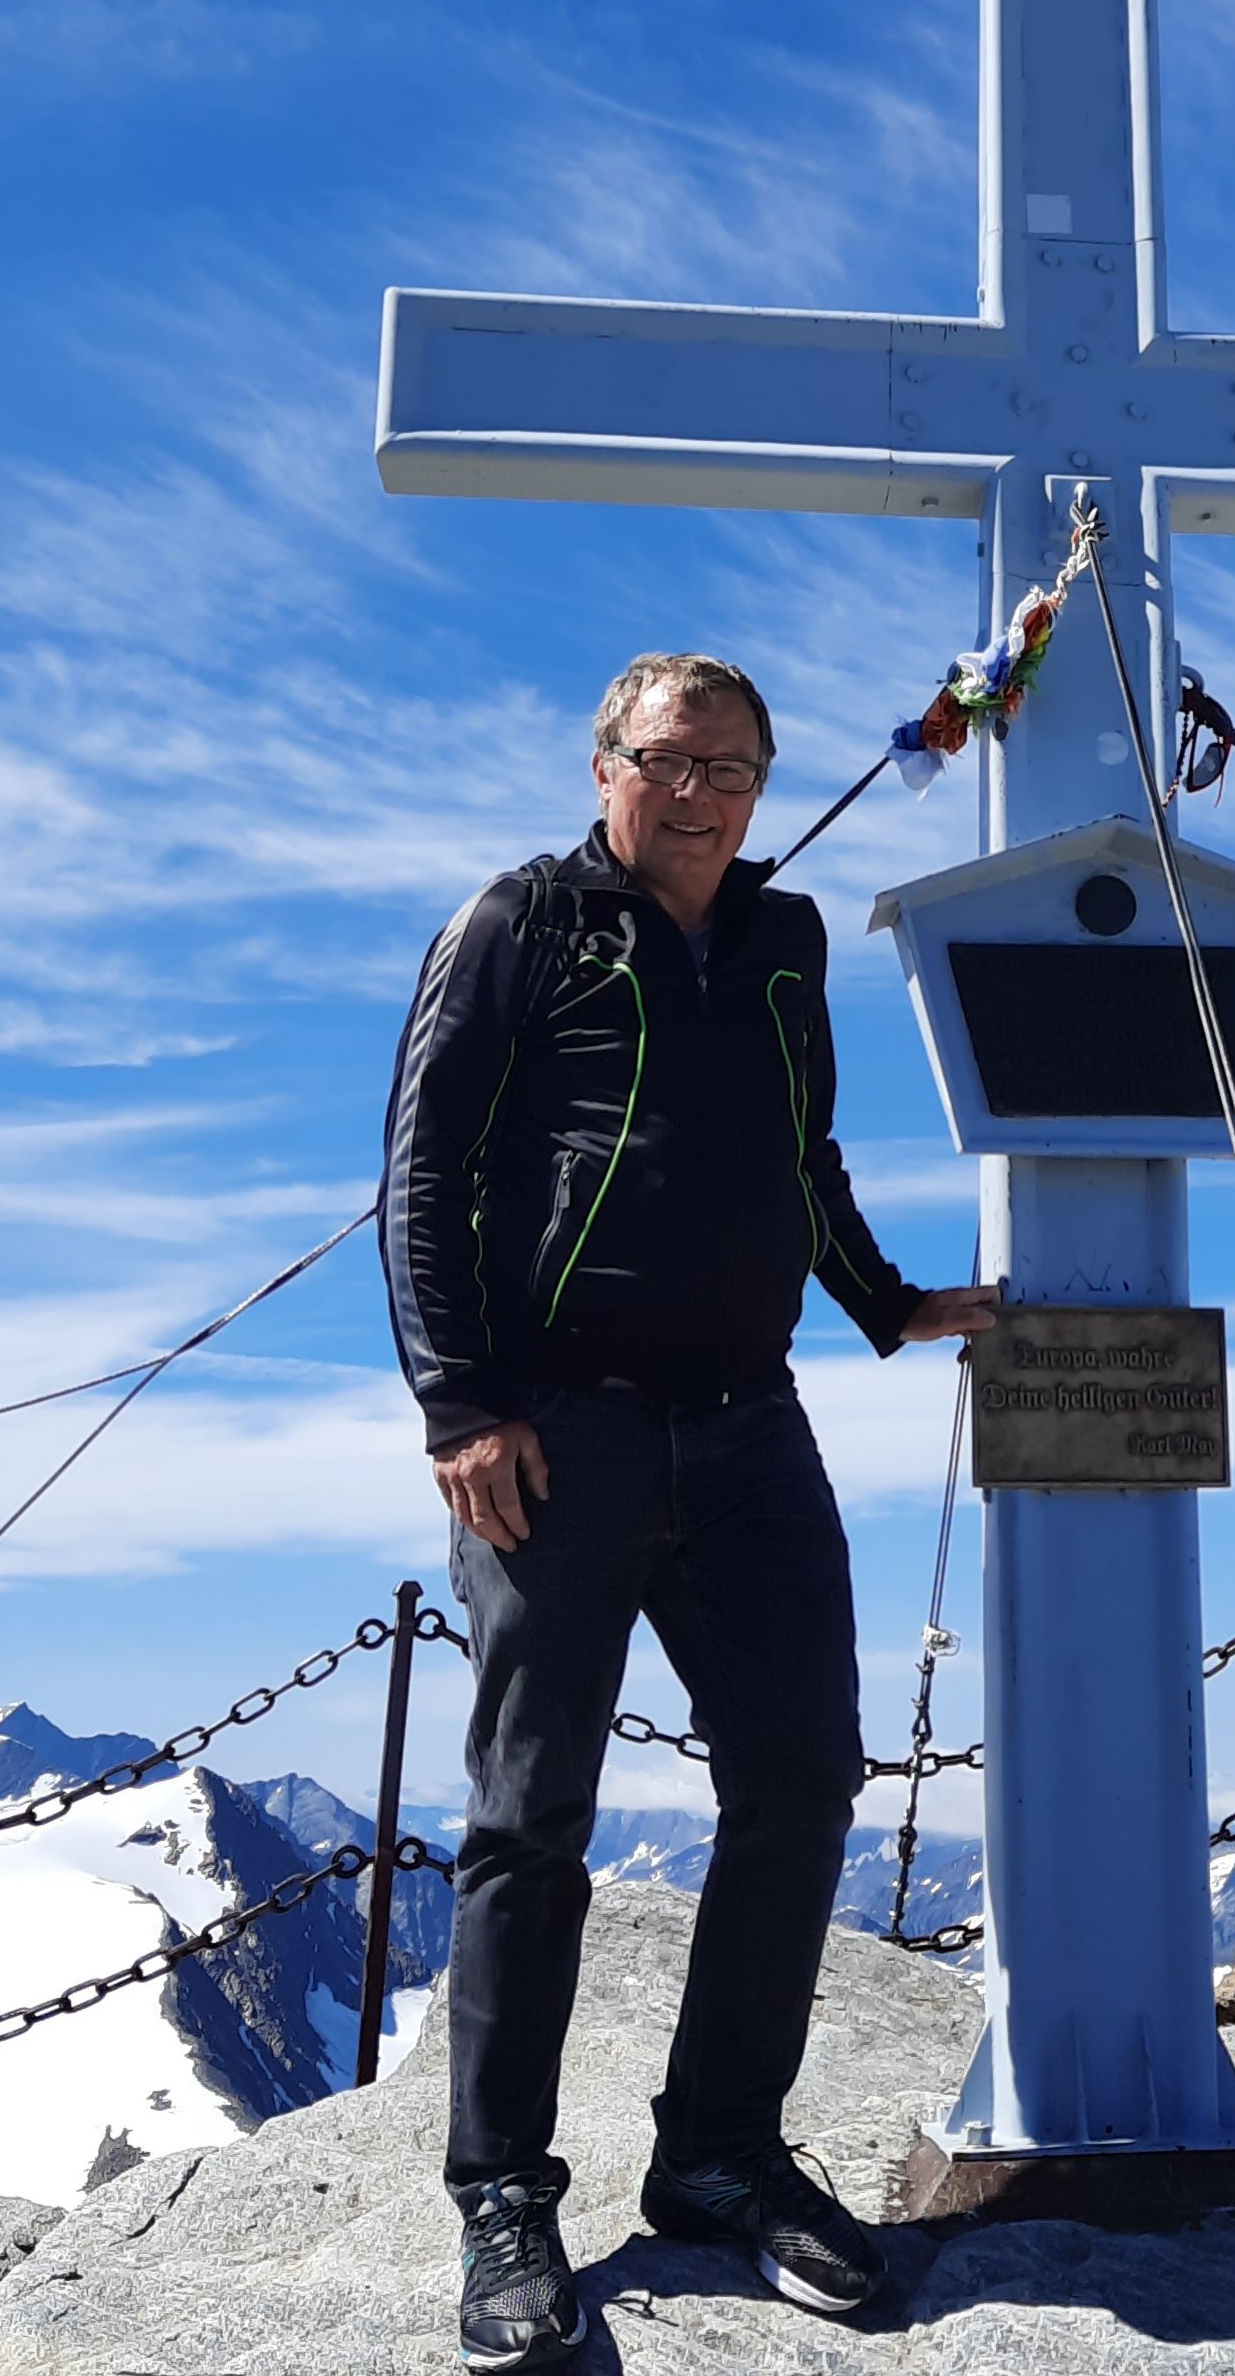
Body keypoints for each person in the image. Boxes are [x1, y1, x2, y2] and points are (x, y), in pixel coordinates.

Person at [380, 650, 994, 2372]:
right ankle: (504, 2191)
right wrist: (460, 1403)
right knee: (532, 1821)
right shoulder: (519, 922)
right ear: (604, 766)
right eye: (672, 761)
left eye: (735, 766)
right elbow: (422, 1165)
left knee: (799, 1779)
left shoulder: (783, 941)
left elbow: (808, 1148)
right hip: (552, 1434)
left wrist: (885, 1301)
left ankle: (719, 2156)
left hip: (747, 1426)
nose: (706, 793)